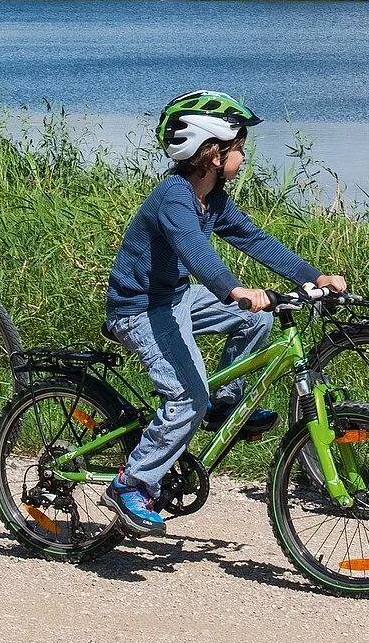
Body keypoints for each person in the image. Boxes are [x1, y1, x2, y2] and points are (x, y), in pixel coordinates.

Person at [102, 90, 346, 536]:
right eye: (238, 147)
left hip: (175, 299)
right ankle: (131, 483)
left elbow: (254, 240)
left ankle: (224, 402)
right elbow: (195, 252)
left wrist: (313, 277)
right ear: (212, 153)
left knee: (258, 319)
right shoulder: (174, 197)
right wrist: (233, 289)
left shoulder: (211, 198)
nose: (243, 155)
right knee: (184, 396)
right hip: (140, 309)